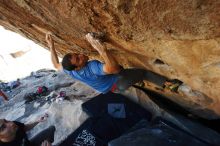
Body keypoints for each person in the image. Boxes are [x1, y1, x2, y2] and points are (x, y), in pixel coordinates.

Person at [46, 33, 181, 94]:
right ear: (78, 67)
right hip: (118, 82)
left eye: (76, 54)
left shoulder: (69, 70)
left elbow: (55, 65)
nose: (81, 55)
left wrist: (51, 46)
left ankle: (136, 81)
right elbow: (113, 68)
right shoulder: (92, 67)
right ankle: (169, 85)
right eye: (78, 59)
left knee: (124, 71)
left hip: (110, 89)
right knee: (143, 72)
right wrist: (102, 50)